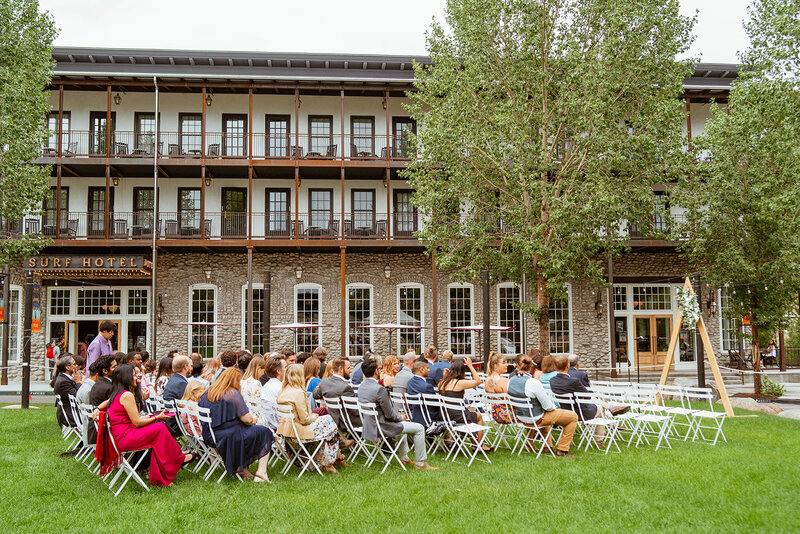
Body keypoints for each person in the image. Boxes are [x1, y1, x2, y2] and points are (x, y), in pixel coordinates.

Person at [94, 364, 192, 486]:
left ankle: (161, 474)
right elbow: (137, 422)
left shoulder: (117, 394)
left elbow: (105, 403)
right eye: (134, 375)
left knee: (158, 433)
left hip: (118, 438)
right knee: (160, 427)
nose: (137, 377)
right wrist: (157, 417)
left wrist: (96, 409)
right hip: (126, 438)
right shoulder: (127, 395)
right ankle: (178, 459)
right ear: (126, 377)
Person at [358, 358, 438, 471]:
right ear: (376, 371)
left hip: (369, 425)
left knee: (400, 423)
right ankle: (420, 463)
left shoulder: (361, 387)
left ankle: (405, 458)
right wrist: (401, 417)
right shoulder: (379, 389)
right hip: (383, 426)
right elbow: (390, 415)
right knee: (419, 428)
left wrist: (399, 419)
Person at [199, 367, 272, 481]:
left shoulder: (208, 392)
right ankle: (261, 471)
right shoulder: (232, 393)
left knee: (253, 431)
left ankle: (243, 469)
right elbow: (246, 419)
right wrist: (253, 419)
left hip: (211, 434)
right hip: (230, 437)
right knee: (265, 432)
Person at [507, 354, 578, 457]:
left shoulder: (510, 381)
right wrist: (555, 408)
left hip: (522, 418)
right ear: (531, 366)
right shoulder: (533, 382)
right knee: (572, 417)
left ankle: (547, 447)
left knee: (547, 415)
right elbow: (547, 406)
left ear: (518, 366)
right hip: (536, 419)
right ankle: (563, 449)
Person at [276, 364, 341, 473]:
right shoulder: (298, 393)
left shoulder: (283, 391)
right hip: (298, 433)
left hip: (286, 433)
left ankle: (320, 460)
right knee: (330, 422)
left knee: (327, 424)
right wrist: (313, 417)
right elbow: (304, 419)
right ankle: (328, 462)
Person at [437, 357, 489, 448]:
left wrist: (445, 376)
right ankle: (478, 445)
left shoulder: (441, 383)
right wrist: (470, 366)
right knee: (478, 416)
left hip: (444, 416)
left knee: (469, 412)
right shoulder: (459, 383)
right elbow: (478, 381)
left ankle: (472, 442)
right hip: (457, 416)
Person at [312, 356, 360, 434]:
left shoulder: (325, 382)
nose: (351, 370)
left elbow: (315, 395)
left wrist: (319, 387)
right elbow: (354, 412)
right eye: (348, 368)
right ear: (341, 369)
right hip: (346, 423)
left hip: (332, 420)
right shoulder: (346, 388)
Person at [52, 355, 83, 438]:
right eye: (74, 364)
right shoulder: (63, 382)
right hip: (71, 415)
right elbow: (79, 396)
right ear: (68, 368)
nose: (76, 366)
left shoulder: (65, 378)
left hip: (72, 412)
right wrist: (79, 382)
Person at [406, 360, 440, 426]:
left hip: (415, 418)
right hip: (429, 419)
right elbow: (437, 404)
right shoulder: (427, 386)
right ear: (421, 369)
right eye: (427, 368)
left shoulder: (410, 382)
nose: (429, 370)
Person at [259, 356, 287, 430]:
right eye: (285, 367)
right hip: (281, 427)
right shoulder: (280, 388)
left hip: (269, 424)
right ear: (278, 371)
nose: (288, 370)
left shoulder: (266, 386)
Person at [485, 352, 513, 424]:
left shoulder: (487, 379)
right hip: (507, 415)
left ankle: (531, 435)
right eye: (503, 363)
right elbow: (511, 399)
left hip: (495, 415)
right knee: (533, 414)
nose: (507, 365)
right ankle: (533, 435)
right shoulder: (502, 380)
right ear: (495, 366)